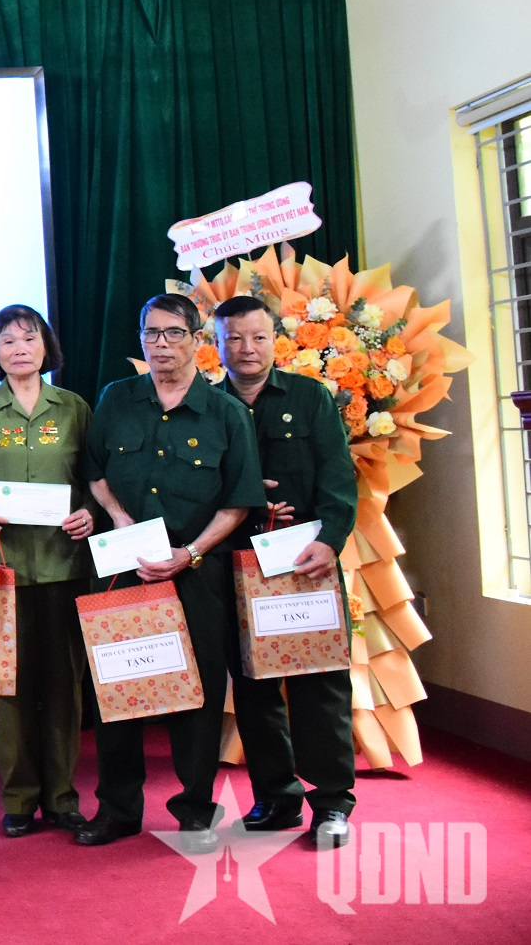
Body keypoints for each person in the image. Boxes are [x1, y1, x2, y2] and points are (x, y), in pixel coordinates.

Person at [78, 294, 265, 851]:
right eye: (152, 333)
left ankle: (195, 812)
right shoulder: (117, 398)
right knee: (118, 690)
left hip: (194, 572)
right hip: (123, 567)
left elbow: (239, 501)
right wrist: (119, 517)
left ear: (197, 340)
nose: (162, 344)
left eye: (174, 333)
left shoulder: (225, 413)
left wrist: (191, 552)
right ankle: (117, 810)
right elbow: (94, 471)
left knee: (197, 695)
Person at [213, 294, 358, 849]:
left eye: (257, 337)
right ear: (216, 344)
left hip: (305, 561)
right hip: (239, 563)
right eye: (233, 338)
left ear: (275, 339)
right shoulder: (208, 404)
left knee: (320, 684)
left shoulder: (309, 396)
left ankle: (332, 802)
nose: (246, 349)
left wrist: (330, 541)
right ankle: (276, 797)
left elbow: (338, 477)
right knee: (254, 686)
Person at [0, 307, 96, 837]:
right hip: (0, 568)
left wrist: (90, 513)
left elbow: (94, 481)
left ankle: (62, 798)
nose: (18, 348)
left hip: (62, 565)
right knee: (5, 686)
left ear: (45, 346)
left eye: (28, 338)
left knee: (63, 687)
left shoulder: (74, 407)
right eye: (6, 340)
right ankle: (18, 800)